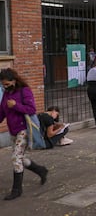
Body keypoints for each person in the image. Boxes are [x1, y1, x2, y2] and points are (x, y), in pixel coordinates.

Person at [0, 68, 48, 200]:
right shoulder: (6, 94)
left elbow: (31, 109)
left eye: (7, 84)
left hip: (24, 129)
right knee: (21, 158)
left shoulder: (24, 91)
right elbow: (2, 111)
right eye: (2, 84)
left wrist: (15, 105)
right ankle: (41, 170)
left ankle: (17, 190)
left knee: (16, 158)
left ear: (14, 80)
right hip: (13, 130)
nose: (4, 86)